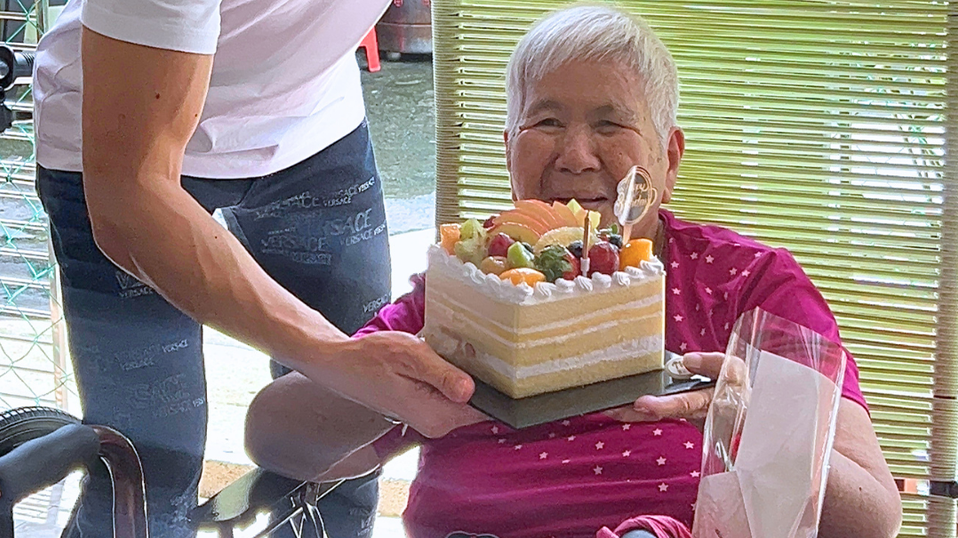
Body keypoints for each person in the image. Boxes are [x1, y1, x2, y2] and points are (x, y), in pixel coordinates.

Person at [243, 6, 903, 538]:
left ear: (669, 160)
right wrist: (405, 380)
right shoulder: (471, 287)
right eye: (546, 121)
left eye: (611, 125)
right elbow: (275, 440)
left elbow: (871, 518)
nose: (577, 156)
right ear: (509, 150)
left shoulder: (746, 286)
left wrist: (748, 421)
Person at [32, 0, 479, 536]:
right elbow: (132, 194)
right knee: (147, 476)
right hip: (120, 137)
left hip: (312, 118)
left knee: (345, 460)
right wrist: (330, 355)